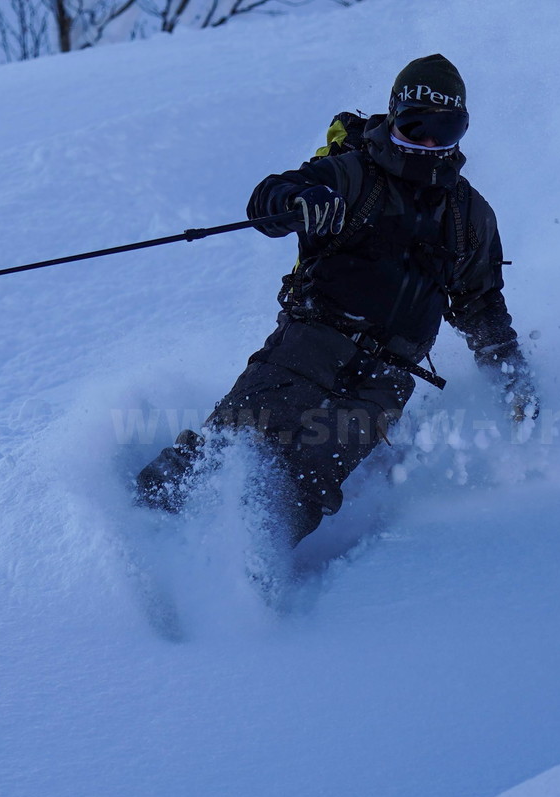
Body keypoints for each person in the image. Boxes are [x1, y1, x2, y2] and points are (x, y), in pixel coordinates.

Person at [135, 54, 535, 547]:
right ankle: (142, 528)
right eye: (415, 128)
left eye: (445, 130)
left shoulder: (469, 214)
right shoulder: (352, 175)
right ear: (394, 119)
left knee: (309, 478)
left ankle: (245, 563)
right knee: (238, 438)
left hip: (387, 378)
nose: (430, 145)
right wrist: (297, 201)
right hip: (313, 340)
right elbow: (271, 199)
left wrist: (512, 378)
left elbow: (481, 306)